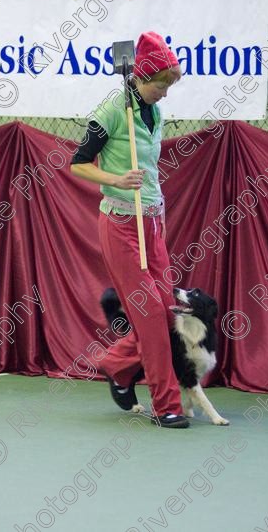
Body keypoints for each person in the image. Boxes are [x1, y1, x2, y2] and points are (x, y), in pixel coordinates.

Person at [70, 31, 189, 428]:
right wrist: (115, 179)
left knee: (168, 310)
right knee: (151, 315)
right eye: (161, 85)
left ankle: (118, 365)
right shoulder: (111, 111)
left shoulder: (155, 111)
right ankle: (166, 404)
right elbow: (78, 163)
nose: (166, 93)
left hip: (152, 220)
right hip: (121, 224)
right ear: (141, 77)